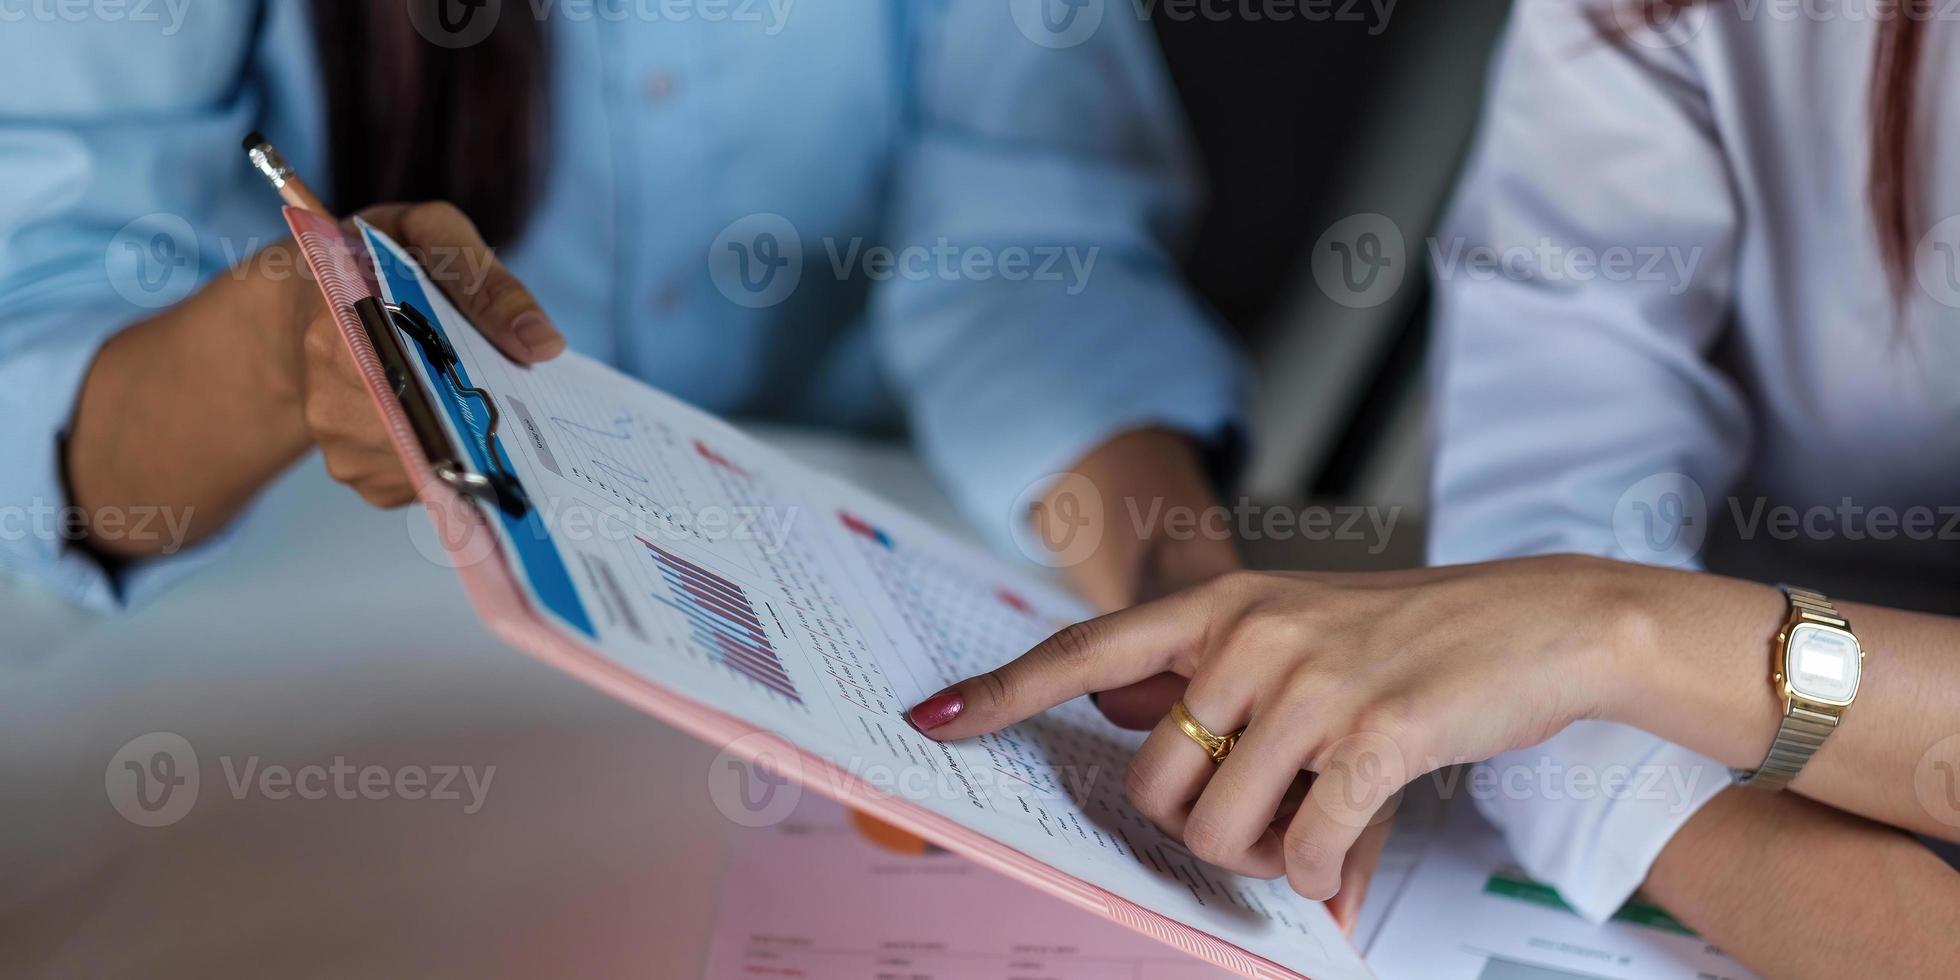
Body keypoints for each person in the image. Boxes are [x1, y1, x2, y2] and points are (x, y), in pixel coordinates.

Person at [911, 0, 1960, 972]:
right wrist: (1603, 655)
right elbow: (1547, 517)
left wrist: (1624, 635)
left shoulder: (1608, 624)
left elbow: (1555, 616)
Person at [0, 0, 1242, 722]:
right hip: (315, 655)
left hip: (870, 603)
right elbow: (48, 379)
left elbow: (1033, 247)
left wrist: (1179, 577)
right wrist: (293, 340)